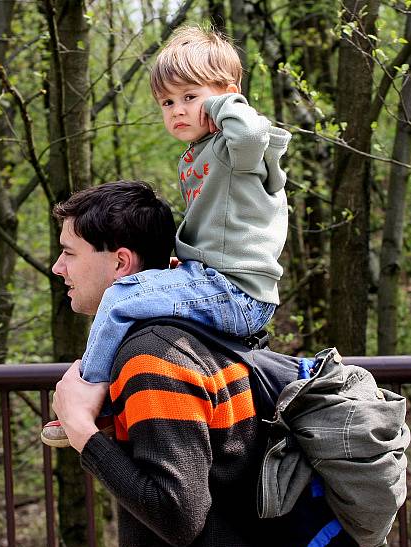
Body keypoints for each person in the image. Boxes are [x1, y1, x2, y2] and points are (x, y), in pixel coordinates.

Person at [41, 25, 291, 447]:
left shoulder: (238, 149)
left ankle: (90, 395)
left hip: (236, 291)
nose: (177, 110)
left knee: (121, 295)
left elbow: (250, 133)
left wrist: (225, 103)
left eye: (190, 98)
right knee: (139, 294)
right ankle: (116, 405)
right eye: (167, 102)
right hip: (215, 280)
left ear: (227, 93)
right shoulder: (199, 156)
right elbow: (212, 229)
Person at [50, 179, 275, 547]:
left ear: (121, 262)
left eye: (69, 253)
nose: (58, 268)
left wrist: (81, 430)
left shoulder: (153, 358)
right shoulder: (195, 331)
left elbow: (178, 516)